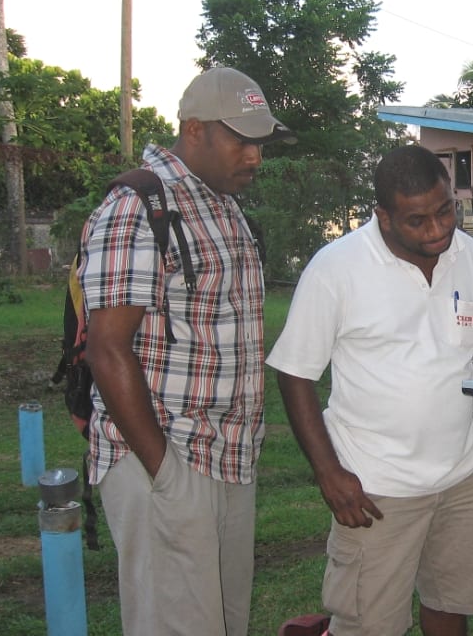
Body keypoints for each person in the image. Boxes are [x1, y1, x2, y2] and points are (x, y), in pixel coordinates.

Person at [79, 66, 295, 636]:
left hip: (227, 456)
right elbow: (107, 349)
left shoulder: (221, 204)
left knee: (222, 622)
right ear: (194, 130)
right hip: (168, 454)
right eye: (242, 140)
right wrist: (165, 473)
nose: (255, 157)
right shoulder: (138, 207)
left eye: (260, 142)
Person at [266, 145, 473, 636]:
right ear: (384, 217)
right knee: (369, 624)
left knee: (451, 605)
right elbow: (294, 373)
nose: (437, 230)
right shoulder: (338, 268)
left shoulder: (470, 255)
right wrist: (329, 472)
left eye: (445, 211)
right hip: (377, 487)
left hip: (462, 479)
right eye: (418, 221)